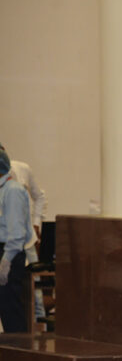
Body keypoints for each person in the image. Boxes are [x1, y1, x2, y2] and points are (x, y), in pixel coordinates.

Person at [7, 151, 48, 320]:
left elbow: (40, 197)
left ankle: (40, 334)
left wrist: (37, 223)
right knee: (11, 292)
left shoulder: (23, 169)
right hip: (6, 243)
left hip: (27, 240)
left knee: (35, 291)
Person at [0, 143, 33, 333]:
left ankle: (19, 354)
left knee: (11, 308)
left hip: (9, 253)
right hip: (4, 250)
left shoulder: (13, 190)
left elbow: (16, 233)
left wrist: (6, 261)